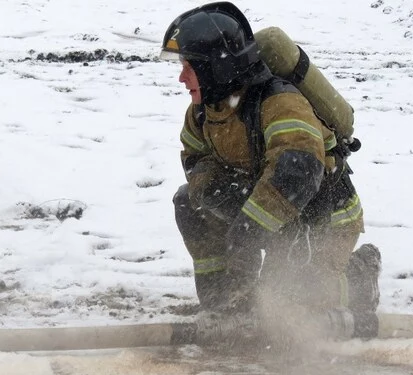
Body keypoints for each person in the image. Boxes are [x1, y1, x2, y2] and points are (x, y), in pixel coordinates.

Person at [161, 2, 381, 339]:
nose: (181, 77)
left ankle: (359, 277)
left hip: (320, 217)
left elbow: (299, 171)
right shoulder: (203, 112)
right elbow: (196, 158)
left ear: (215, 69)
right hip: (267, 204)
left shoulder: (280, 102)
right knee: (189, 201)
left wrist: (249, 230)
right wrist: (213, 193)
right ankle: (230, 297)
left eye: (190, 67)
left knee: (300, 305)